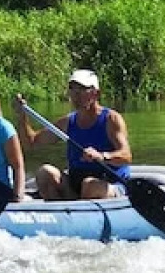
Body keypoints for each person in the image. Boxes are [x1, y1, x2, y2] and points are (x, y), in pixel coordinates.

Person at [13, 68, 130, 201]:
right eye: (72, 89)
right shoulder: (68, 122)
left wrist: (102, 156)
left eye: (81, 89)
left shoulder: (111, 119)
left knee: (89, 185)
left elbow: (126, 156)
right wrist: (22, 117)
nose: (76, 95)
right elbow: (31, 142)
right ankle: (60, 210)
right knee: (44, 173)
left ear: (96, 94)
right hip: (76, 185)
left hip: (109, 183)